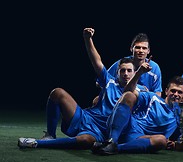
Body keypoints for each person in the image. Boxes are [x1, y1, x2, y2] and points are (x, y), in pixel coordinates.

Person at [18, 28, 147, 150]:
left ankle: (36, 144)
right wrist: (87, 39)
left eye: (129, 71)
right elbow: (96, 61)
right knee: (57, 93)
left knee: (85, 140)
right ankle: (50, 135)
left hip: (103, 131)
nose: (125, 73)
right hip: (87, 118)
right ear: (117, 72)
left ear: (135, 72)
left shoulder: (140, 91)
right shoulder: (109, 81)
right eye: (122, 70)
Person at [92, 63, 183, 155]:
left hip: (140, 137)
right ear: (166, 91)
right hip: (128, 126)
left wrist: (175, 144)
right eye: (173, 91)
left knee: (161, 140)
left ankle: (115, 148)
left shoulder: (182, 115)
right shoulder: (153, 98)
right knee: (129, 95)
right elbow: (128, 91)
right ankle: (111, 141)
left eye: (180, 92)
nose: (176, 94)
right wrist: (139, 73)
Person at [92, 32, 162, 107]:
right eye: (137, 47)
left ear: (148, 51)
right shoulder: (122, 64)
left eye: (144, 48)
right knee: (97, 100)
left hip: (142, 102)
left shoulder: (154, 68)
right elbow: (101, 82)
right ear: (131, 49)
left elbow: (157, 93)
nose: (141, 51)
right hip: (120, 98)